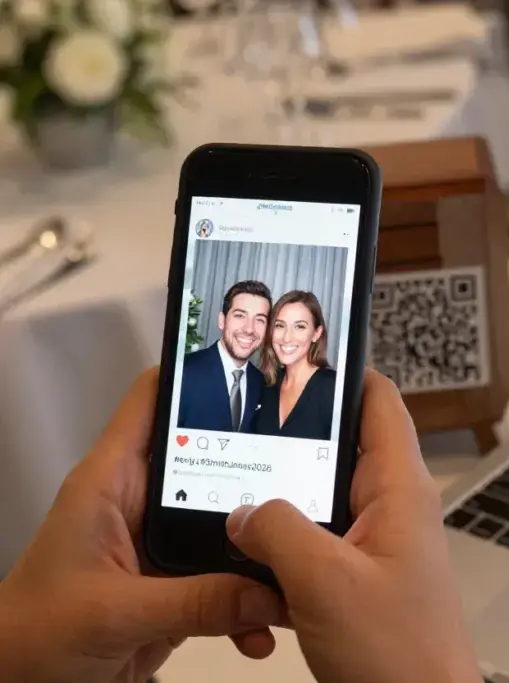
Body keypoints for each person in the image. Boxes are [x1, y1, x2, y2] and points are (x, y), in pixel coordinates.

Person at [0, 367, 481, 683]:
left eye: (297, 325)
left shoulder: (326, 393)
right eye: (273, 323)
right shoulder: (245, 385)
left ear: (316, 334)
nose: (271, 332)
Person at [177, 281, 270, 433]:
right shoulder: (182, 371)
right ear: (222, 320)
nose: (249, 329)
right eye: (240, 316)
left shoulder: (263, 384)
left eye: (260, 320)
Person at [253, 291, 337, 441]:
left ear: (316, 334)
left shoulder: (334, 388)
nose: (287, 337)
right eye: (279, 325)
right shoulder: (265, 386)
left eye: (299, 327)